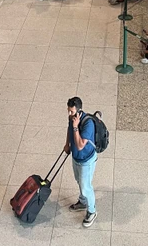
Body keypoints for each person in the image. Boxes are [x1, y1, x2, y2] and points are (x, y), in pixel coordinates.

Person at [64, 97, 97, 228]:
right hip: (76, 158)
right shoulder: (72, 119)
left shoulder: (88, 124)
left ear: (79, 111)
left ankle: (92, 211)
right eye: (68, 111)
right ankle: (83, 202)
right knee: (79, 181)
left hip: (86, 161)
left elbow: (80, 145)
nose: (69, 114)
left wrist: (75, 127)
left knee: (86, 187)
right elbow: (69, 130)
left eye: (71, 111)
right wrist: (67, 144)